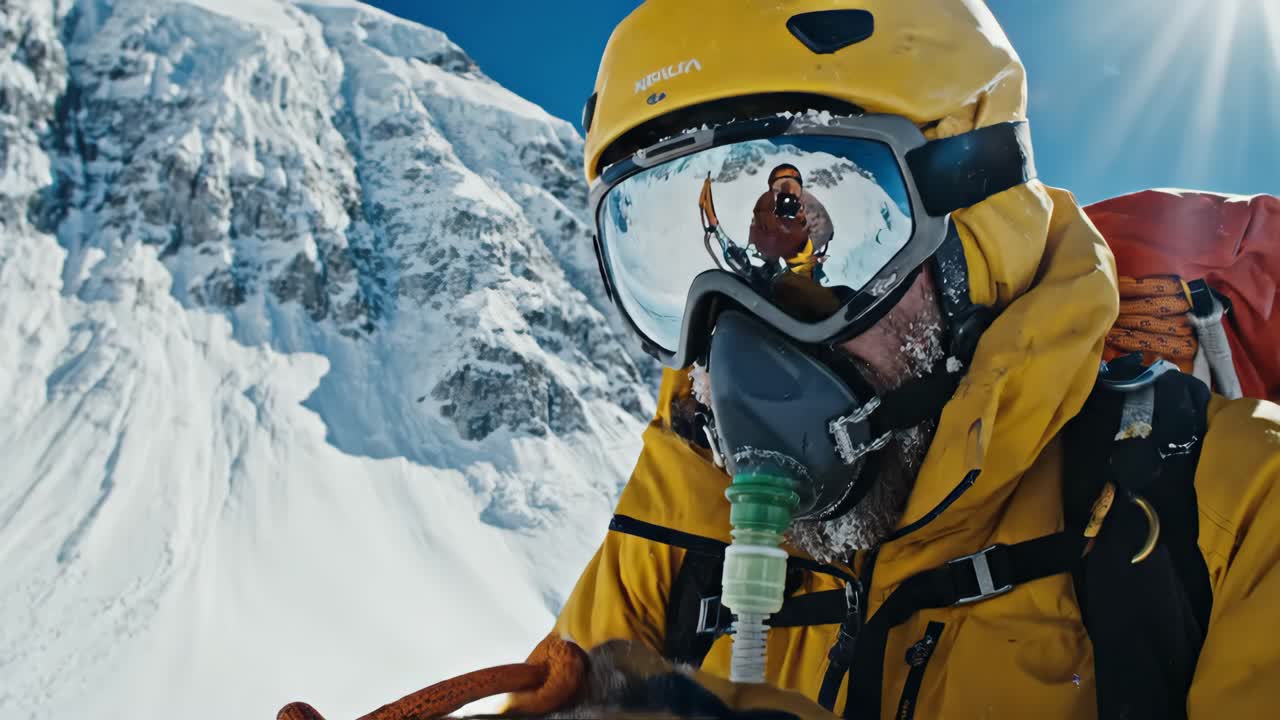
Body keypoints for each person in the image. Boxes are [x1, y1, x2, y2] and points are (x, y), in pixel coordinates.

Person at [553, 1, 1280, 719]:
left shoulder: (1241, 514)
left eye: (842, 269)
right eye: (684, 276)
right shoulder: (679, 531)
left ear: (980, 232)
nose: (736, 346)